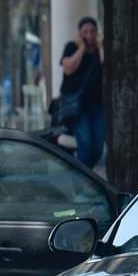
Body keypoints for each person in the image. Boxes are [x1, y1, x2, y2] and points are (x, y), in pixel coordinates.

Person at [59, 16, 104, 167]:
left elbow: (106, 70)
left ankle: (82, 176)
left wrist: (101, 48)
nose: (89, 35)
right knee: (86, 144)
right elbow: (68, 68)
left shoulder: (100, 50)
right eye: (85, 32)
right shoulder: (72, 47)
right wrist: (82, 49)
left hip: (97, 105)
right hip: (78, 107)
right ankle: (81, 179)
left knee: (98, 147)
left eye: (92, 31)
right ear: (79, 34)